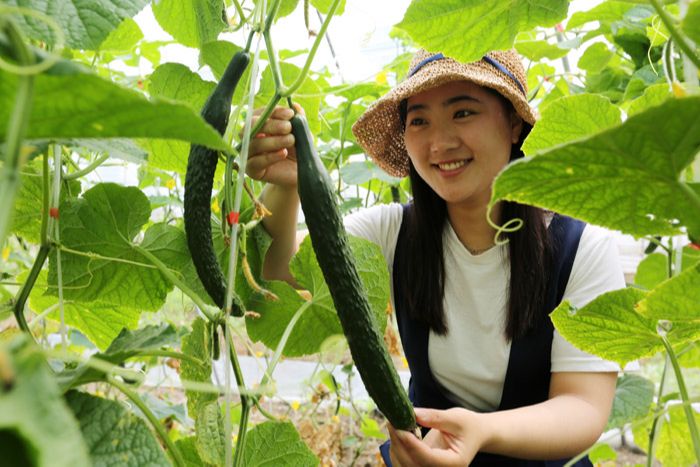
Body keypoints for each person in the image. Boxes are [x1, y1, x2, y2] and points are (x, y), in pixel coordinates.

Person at [246, 49, 625, 466]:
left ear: (514, 123)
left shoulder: (582, 247)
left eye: (463, 113)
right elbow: (282, 274)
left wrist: (482, 432)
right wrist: (287, 185)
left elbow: (583, 408)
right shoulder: (391, 232)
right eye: (419, 120)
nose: (440, 142)